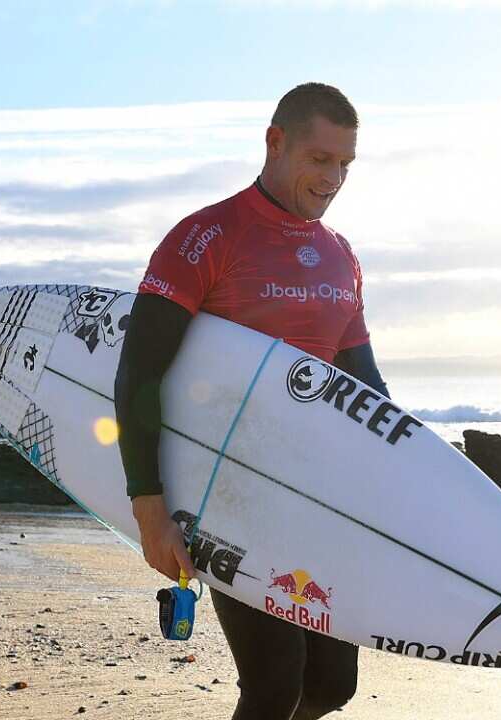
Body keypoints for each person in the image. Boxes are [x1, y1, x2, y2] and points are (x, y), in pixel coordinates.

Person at [114, 83, 389, 720]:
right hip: (227, 496)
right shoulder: (205, 237)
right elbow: (140, 372)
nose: (334, 179)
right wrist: (150, 509)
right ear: (275, 142)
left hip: (313, 497)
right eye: (320, 159)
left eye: (345, 164)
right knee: (272, 685)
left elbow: (367, 390)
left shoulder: (339, 257)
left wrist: (411, 483)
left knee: (330, 684)